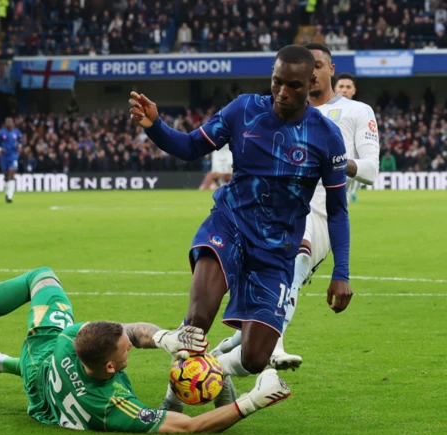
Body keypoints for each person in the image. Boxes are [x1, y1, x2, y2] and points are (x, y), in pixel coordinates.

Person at [129, 45, 353, 412]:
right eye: (276, 82)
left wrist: (341, 272)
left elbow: (338, 210)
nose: (282, 93)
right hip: (229, 224)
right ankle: (174, 398)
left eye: (293, 86)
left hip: (277, 250)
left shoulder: (326, 137)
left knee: (254, 357)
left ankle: (217, 373)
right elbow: (188, 147)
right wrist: (155, 125)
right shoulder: (244, 110)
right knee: (198, 320)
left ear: (312, 81)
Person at [0, 267, 290, 433]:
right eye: (125, 353)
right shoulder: (111, 405)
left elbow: (132, 332)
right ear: (108, 367)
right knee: (175, 408)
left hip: (40, 357)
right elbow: (187, 426)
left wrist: (164, 338)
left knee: (41, 277)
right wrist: (253, 402)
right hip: (44, 405)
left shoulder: (71, 337)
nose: (130, 351)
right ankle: (2, 362)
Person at [211, 44, 378, 371]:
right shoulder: (281, 111)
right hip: (272, 210)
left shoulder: (357, 111)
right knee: (258, 310)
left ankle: (275, 344)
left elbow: (371, 170)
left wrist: (333, 163)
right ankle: (218, 357)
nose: (312, 72)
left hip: (320, 211)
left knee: (297, 257)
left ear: (331, 68)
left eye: (318, 65)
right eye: (307, 66)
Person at [333, 72, 359, 202]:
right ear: (334, 89)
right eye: (341, 86)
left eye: (348, 87)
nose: (344, 90)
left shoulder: (362, 112)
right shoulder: (323, 110)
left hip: (350, 166)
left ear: (354, 90)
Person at [0, 116, 22, 203]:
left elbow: (21, 142)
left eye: (10, 122)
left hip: (13, 156)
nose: (9, 124)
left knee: (12, 173)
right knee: (6, 176)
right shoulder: (1, 133)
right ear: (5, 123)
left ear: (13, 123)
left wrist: (20, 146)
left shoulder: (17, 133)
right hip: (4, 157)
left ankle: (10, 196)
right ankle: (7, 192)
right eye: (8, 122)